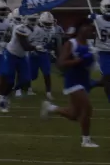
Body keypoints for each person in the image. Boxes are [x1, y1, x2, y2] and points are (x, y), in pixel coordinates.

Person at [41, 19, 99, 147]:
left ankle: (51, 108)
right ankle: (86, 140)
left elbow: (91, 66)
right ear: (80, 29)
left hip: (84, 80)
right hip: (73, 80)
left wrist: (92, 60)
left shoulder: (90, 45)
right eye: (87, 27)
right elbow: (61, 63)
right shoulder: (71, 43)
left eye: (91, 27)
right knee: (87, 108)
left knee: (73, 114)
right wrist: (79, 60)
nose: (90, 30)